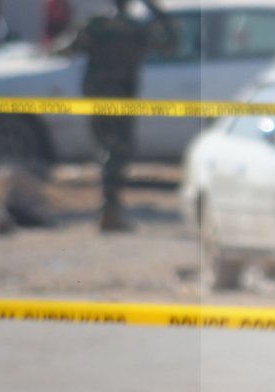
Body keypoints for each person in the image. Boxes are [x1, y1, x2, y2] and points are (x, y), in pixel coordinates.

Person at [63, 0, 176, 232]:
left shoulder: (96, 25)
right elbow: (170, 44)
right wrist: (157, 11)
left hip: (97, 94)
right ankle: (110, 211)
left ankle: (110, 210)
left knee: (107, 149)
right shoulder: (135, 28)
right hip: (121, 97)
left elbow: (68, 48)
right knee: (118, 151)